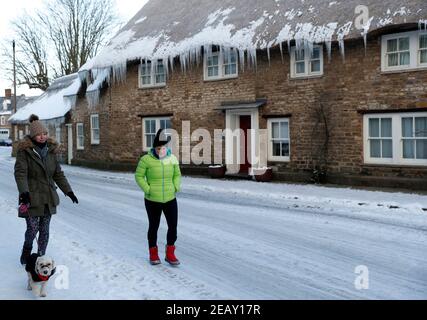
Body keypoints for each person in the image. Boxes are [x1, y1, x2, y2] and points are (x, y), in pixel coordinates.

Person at [14, 114, 78, 265]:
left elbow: (57, 173)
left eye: (44, 134)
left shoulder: (51, 151)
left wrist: (68, 191)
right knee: (32, 229)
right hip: (32, 197)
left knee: (45, 230)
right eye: (38, 134)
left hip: (49, 197)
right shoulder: (25, 152)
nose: (42, 137)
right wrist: (24, 193)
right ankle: (27, 249)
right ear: (32, 135)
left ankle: (41, 257)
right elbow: (20, 173)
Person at [135, 129, 182, 266]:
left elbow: (177, 175)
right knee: (154, 226)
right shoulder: (146, 160)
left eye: (163, 147)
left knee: (173, 226)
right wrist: (147, 189)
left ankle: (170, 253)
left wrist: (175, 187)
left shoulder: (172, 159)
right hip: (152, 200)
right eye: (158, 147)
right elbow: (138, 176)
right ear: (154, 147)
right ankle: (153, 253)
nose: (160, 150)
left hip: (170, 198)